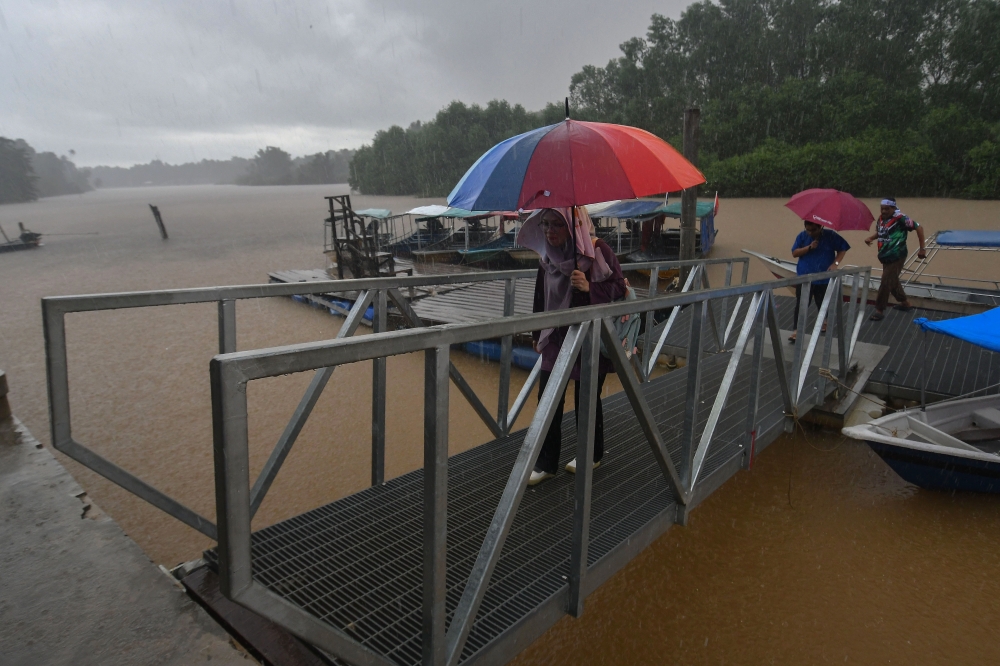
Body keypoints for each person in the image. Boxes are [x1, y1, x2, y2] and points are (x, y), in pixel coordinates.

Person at [519, 207, 626, 486]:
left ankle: (591, 453)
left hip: (590, 335)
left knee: (586, 398)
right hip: (556, 336)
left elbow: (619, 288)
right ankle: (546, 462)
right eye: (545, 224)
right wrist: (536, 331)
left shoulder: (597, 251)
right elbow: (541, 296)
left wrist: (589, 286)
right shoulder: (547, 257)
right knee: (548, 397)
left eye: (557, 224)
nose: (549, 231)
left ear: (574, 226)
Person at [864, 198, 927, 321]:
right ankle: (905, 303)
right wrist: (871, 238)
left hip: (897, 255)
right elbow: (881, 232)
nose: (884, 211)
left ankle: (879, 310)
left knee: (885, 281)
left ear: (893, 208)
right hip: (885, 255)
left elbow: (919, 227)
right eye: (882, 208)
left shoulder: (901, 218)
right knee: (892, 281)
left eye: (887, 209)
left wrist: (922, 249)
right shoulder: (881, 219)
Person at [788, 220, 850, 343]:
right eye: (808, 229)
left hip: (823, 276)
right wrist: (809, 247)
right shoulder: (802, 236)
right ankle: (796, 330)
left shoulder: (831, 235)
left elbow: (843, 249)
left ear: (820, 227)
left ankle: (824, 321)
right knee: (802, 304)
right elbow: (794, 253)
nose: (810, 232)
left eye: (813, 230)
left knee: (822, 302)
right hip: (804, 276)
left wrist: (835, 263)